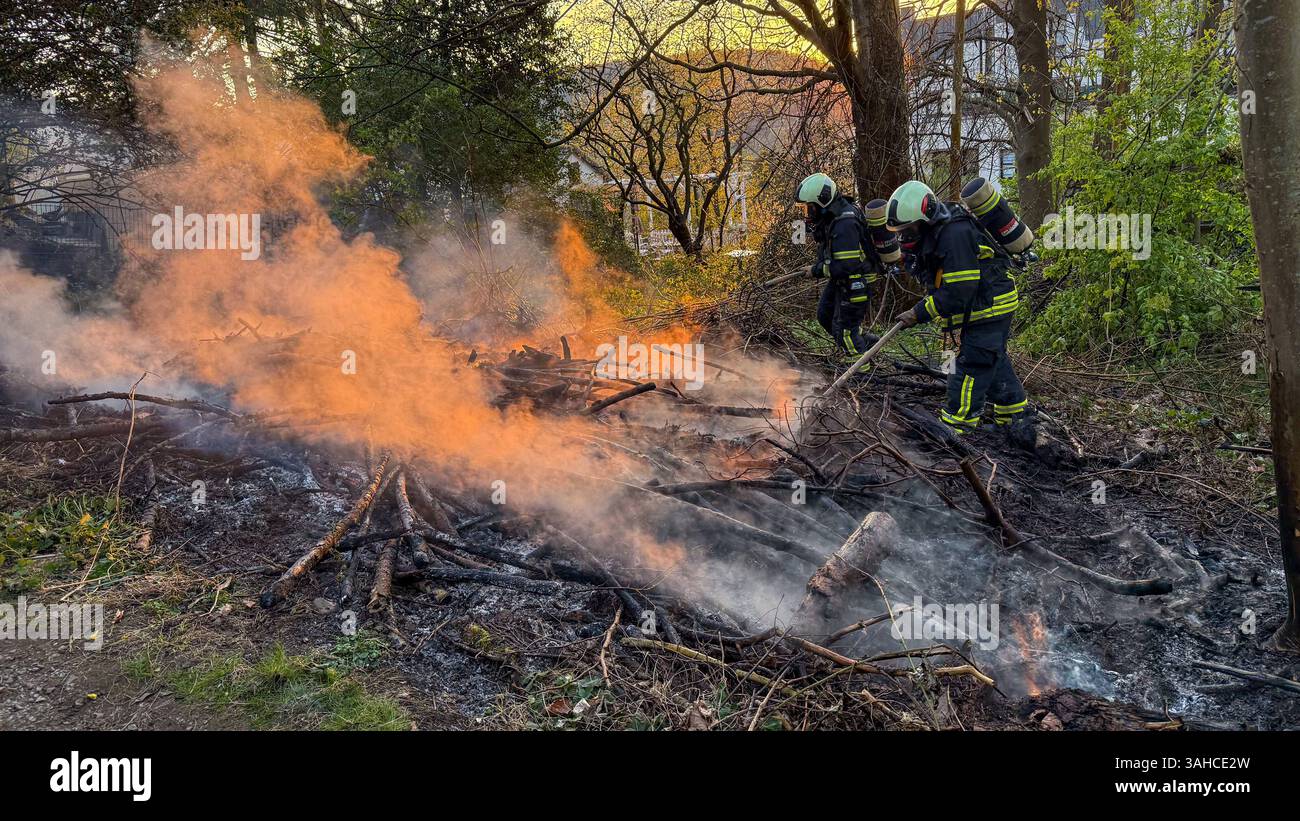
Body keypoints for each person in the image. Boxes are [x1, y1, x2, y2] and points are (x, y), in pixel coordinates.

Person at [886, 179, 1030, 435]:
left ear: (926, 218)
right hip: (963, 311)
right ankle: (1013, 414)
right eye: (901, 233)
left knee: (970, 363)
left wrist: (918, 313)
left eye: (909, 231)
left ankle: (956, 425)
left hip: (988, 308)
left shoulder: (955, 235)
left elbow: (959, 291)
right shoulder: (933, 235)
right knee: (964, 360)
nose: (904, 238)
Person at [794, 173, 882, 364]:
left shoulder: (845, 223)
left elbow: (845, 266)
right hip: (844, 279)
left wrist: (816, 270)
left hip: (856, 280)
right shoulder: (834, 216)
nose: (808, 213)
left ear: (822, 202)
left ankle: (861, 376)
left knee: (844, 330)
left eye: (810, 208)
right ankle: (866, 346)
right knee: (825, 315)